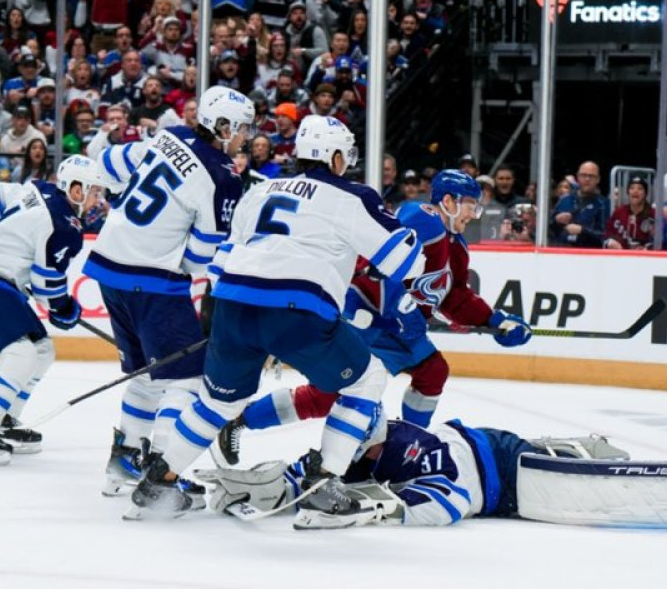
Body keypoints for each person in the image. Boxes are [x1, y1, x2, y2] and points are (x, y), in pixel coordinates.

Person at [123, 115, 426, 520]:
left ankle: (158, 483)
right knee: (367, 380)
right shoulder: (352, 196)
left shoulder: (259, 190)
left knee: (216, 403)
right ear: (335, 156)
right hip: (296, 310)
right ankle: (323, 483)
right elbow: (405, 262)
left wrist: (236, 328)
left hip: (232, 303)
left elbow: (219, 264)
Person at [212, 168, 533, 470]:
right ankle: (241, 420)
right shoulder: (424, 218)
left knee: (433, 371)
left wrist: (494, 321)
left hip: (401, 330)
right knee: (327, 396)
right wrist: (401, 306)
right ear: (447, 201)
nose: (471, 215)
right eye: (469, 206)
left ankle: (406, 443)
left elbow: (455, 297)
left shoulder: (457, 248)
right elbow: (382, 261)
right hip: (369, 317)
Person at [85, 86, 255, 498]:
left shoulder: (171, 135)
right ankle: (161, 479)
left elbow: (106, 164)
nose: (246, 137)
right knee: (187, 380)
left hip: (107, 266)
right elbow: (201, 258)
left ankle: (124, 461)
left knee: (148, 374)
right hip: (151, 280)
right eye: (243, 128)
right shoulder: (223, 176)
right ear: (225, 125)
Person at [198, 417, 667, 532]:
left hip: (502, 472)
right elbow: (309, 477)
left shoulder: (408, 447)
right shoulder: (352, 444)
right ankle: (575, 445)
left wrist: (378, 510)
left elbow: (452, 499)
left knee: (589, 491)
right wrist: (259, 485)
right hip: (495, 474)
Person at [0, 156, 115, 464]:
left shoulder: (36, 190)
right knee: (21, 354)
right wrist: (64, 309)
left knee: (42, 350)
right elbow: (47, 284)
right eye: (93, 192)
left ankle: (4, 420)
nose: (97, 200)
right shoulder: (65, 226)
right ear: (76, 189)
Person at [549, 161, 609, 247]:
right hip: (561, 252)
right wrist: (556, 220)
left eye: (591, 176)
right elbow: (548, 229)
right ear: (577, 177)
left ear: (598, 179)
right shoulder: (565, 200)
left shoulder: (604, 204)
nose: (587, 179)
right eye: (583, 175)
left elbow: (606, 236)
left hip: (588, 254)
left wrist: (582, 230)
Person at [603, 175, 653, 249]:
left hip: (645, 258)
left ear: (645, 193)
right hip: (621, 257)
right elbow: (606, 235)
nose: (635, 191)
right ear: (628, 192)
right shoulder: (619, 212)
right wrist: (610, 242)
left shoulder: (653, 214)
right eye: (632, 188)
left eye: (640, 188)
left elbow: (659, 242)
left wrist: (646, 248)